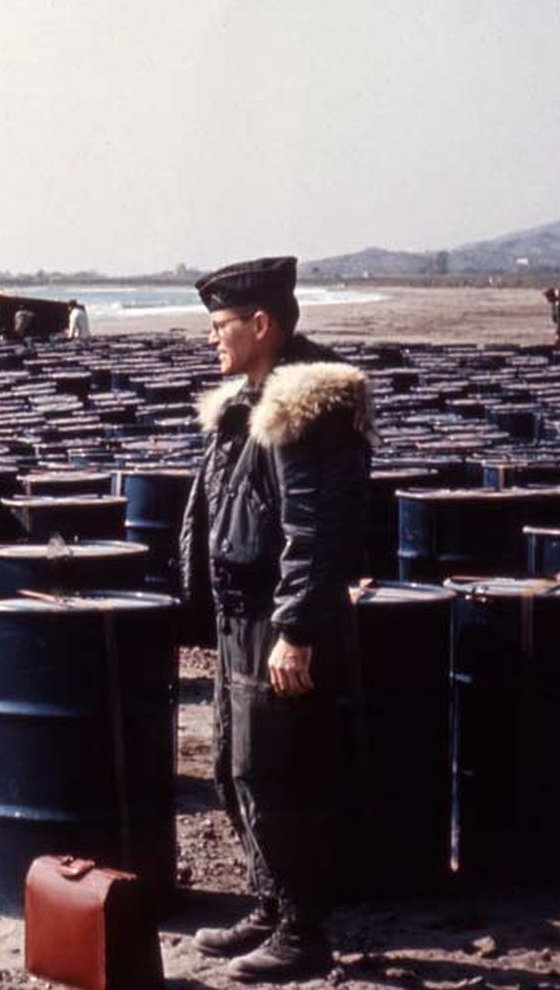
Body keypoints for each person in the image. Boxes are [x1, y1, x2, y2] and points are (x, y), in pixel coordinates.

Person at [178, 256, 374, 982]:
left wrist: (296, 630)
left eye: (220, 325)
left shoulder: (304, 410)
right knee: (238, 767)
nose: (211, 339)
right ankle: (269, 903)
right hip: (243, 617)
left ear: (260, 324)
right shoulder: (248, 404)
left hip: (278, 619)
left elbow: (316, 530)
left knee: (282, 772)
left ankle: (301, 929)